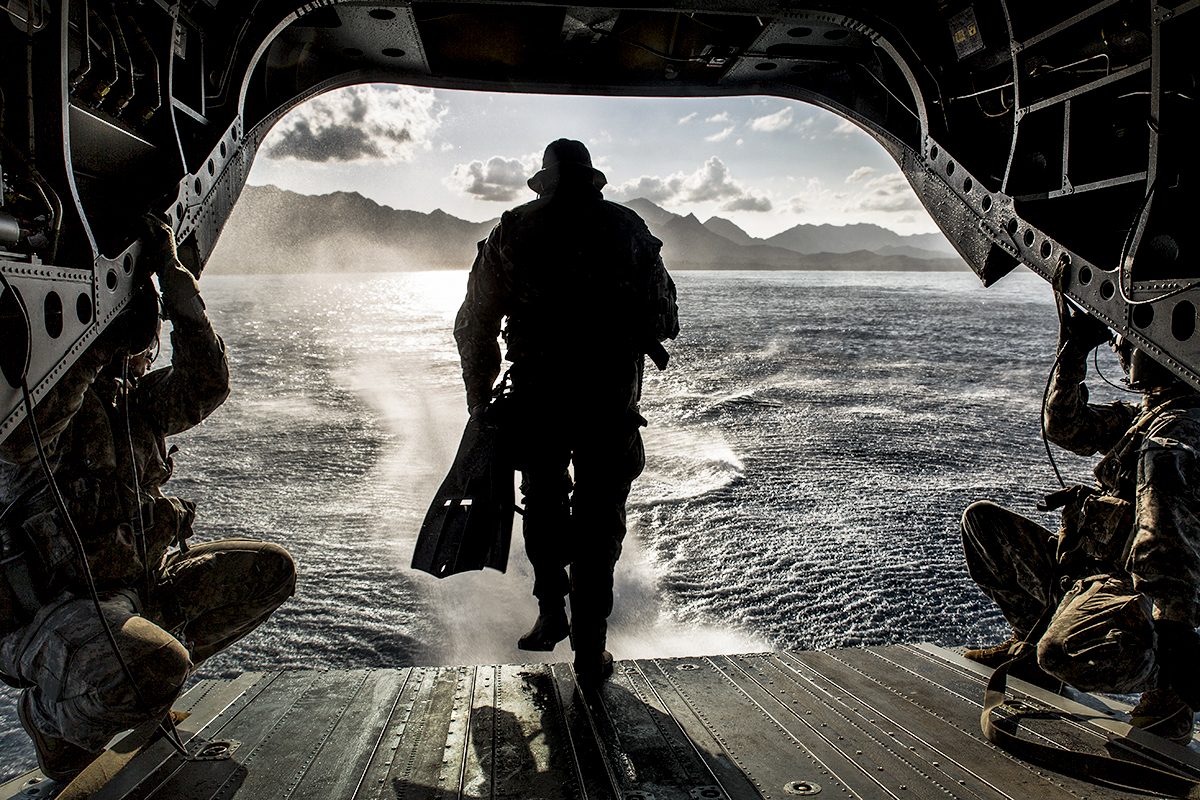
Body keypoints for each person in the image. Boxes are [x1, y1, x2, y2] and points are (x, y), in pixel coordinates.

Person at [0, 218, 296, 781]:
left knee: (269, 571)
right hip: (52, 610)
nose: (138, 355)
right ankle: (50, 719)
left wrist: (180, 292)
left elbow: (205, 385)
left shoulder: (138, 402)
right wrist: (95, 346)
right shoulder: (32, 405)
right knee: (148, 670)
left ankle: (148, 663)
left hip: (140, 585)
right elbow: (22, 440)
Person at [453, 139, 678, 685]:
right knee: (599, 515)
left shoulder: (512, 231)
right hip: (608, 402)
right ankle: (590, 650)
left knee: (544, 499)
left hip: (539, 397)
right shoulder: (628, 229)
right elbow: (664, 318)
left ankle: (551, 609)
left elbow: (476, 323)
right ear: (591, 181)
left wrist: (479, 400)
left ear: (545, 183)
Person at [961, 290, 1200, 744]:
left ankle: (1169, 689)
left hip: (1131, 587)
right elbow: (1065, 426)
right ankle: (1027, 641)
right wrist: (1071, 356)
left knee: (1062, 653)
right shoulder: (1147, 416)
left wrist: (1175, 629)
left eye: (1131, 339)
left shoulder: (1179, 431)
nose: (1121, 346)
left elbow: (1164, 529)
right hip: (1086, 568)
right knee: (983, 524)